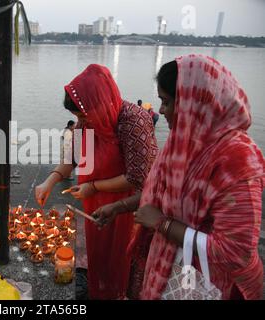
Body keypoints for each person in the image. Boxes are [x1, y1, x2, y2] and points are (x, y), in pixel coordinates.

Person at [93, 55, 264, 300]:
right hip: (173, 270)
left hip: (212, 284)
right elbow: (162, 193)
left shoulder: (237, 160)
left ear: (194, 102)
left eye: (166, 101)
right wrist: (118, 207)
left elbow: (234, 252)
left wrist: (162, 224)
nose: (161, 110)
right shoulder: (185, 141)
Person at [35, 64, 158, 299]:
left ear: (99, 102)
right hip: (95, 201)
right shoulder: (87, 122)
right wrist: (49, 181)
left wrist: (92, 186)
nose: (81, 121)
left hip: (128, 205)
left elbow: (138, 177)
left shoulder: (132, 121)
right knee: (99, 253)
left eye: (83, 114)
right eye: (77, 117)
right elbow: (73, 159)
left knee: (122, 259)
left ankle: (119, 293)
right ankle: (102, 290)